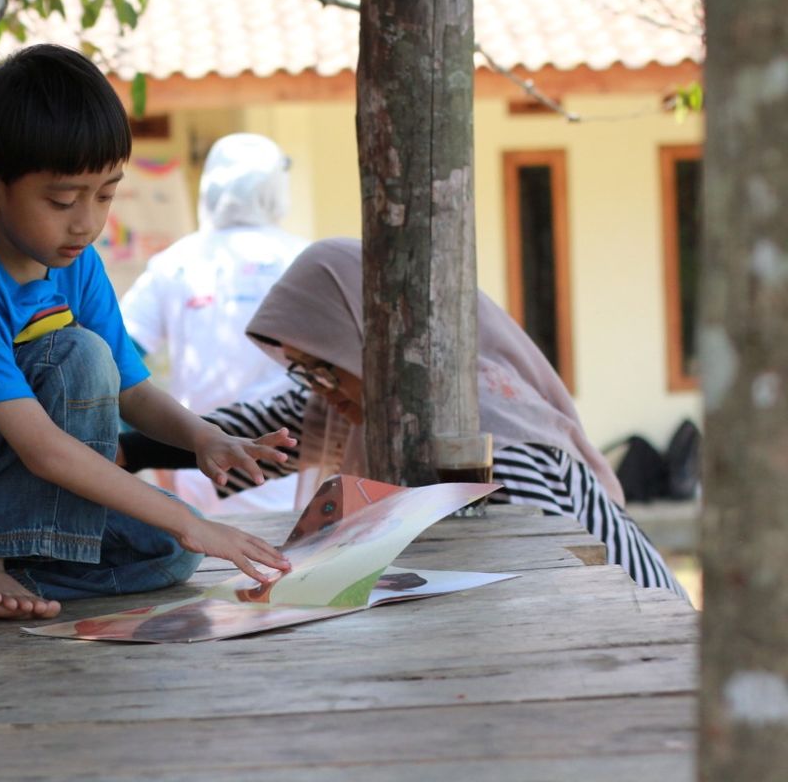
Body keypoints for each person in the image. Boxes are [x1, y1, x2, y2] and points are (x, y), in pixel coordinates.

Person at [0, 45, 295, 621]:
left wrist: (203, 438)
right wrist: (194, 520)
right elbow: (45, 450)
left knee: (167, 552)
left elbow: (132, 389)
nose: (88, 221)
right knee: (75, 356)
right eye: (64, 199)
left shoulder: (75, 259)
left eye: (106, 194)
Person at [120, 238, 687, 596]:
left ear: (367, 340)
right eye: (304, 372)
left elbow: (537, 575)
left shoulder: (486, 428)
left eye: (324, 367)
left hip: (626, 626)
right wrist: (129, 450)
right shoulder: (355, 396)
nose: (320, 391)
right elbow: (256, 436)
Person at [120, 133, 306, 514]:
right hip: (286, 464)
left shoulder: (175, 263)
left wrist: (141, 447)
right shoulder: (301, 259)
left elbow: (117, 358)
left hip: (195, 463)